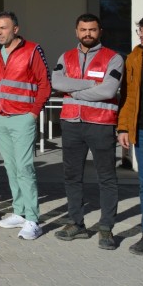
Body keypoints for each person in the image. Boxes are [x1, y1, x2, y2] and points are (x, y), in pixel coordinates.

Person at [51, 13, 123, 250]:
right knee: (72, 176)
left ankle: (106, 229)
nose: (87, 34)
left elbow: (108, 90)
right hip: (71, 124)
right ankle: (76, 224)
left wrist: (74, 91)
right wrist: (91, 84)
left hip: (101, 123)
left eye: (92, 30)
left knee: (107, 178)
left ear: (100, 31)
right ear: (76, 31)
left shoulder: (113, 58)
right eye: (83, 30)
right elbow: (57, 83)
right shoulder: (66, 56)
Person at [0, 11, 51, 241]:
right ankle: (19, 211)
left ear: (15, 29)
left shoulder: (33, 50)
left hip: (22, 117)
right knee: (11, 167)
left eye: (3, 28)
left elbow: (45, 83)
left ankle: (33, 219)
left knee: (25, 168)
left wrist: (33, 113)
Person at [118, 14, 143, 255]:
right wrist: (123, 127)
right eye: (139, 30)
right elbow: (129, 96)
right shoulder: (135, 57)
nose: (140, 34)